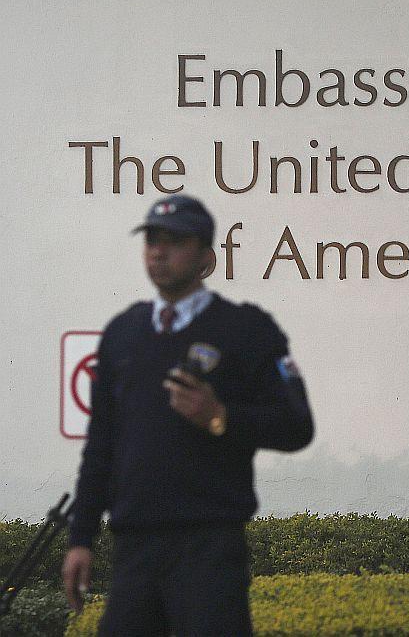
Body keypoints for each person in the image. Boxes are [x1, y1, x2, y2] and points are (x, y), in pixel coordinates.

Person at [61, 194, 314, 636]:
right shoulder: (124, 333)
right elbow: (101, 444)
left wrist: (221, 417)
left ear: (205, 257)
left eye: (175, 241)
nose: (159, 251)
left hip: (209, 549)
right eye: (152, 240)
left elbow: (296, 425)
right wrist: (81, 538)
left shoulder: (245, 330)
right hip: (134, 549)